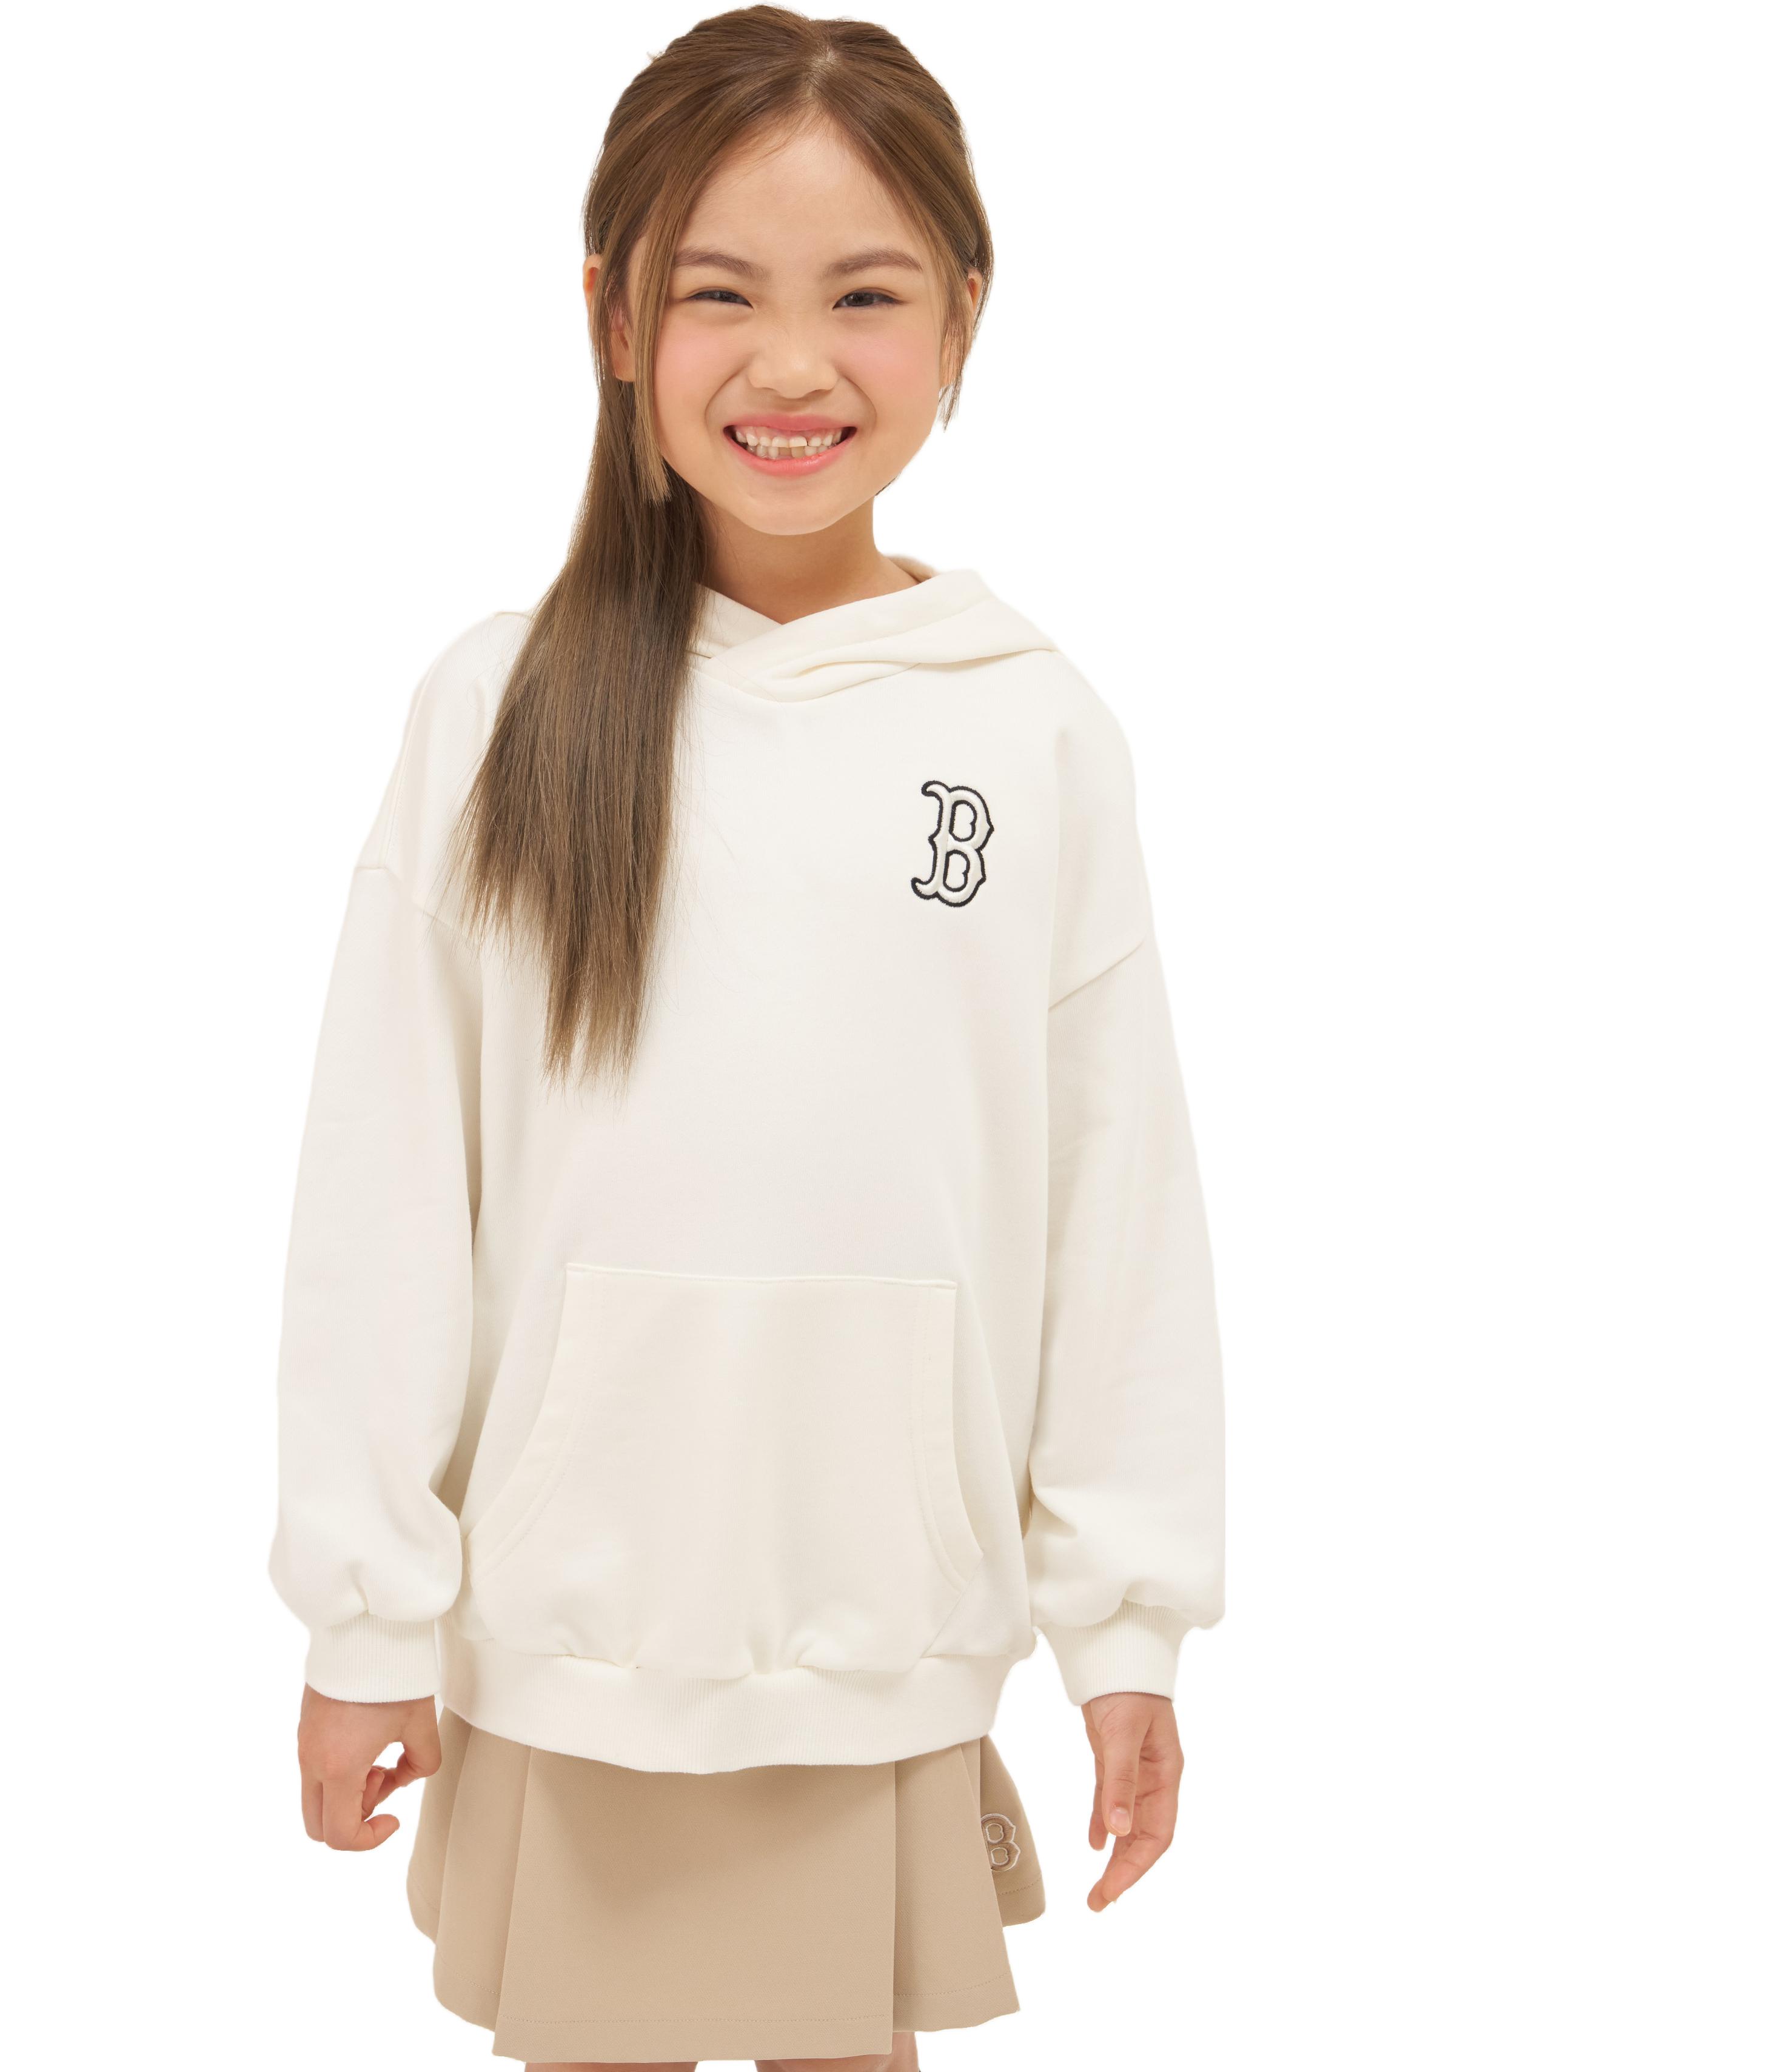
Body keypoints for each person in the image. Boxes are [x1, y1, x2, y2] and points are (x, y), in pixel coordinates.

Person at [268, 8, 1225, 2066]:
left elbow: (1114, 1204)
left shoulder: (1030, 726)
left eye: (862, 295)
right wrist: (364, 1608)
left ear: (961, 318)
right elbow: (385, 1194)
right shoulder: (499, 711)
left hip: (881, 1620)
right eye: (721, 294)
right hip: (575, 1626)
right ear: (615, 317)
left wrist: (1124, 1619)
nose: (792, 365)